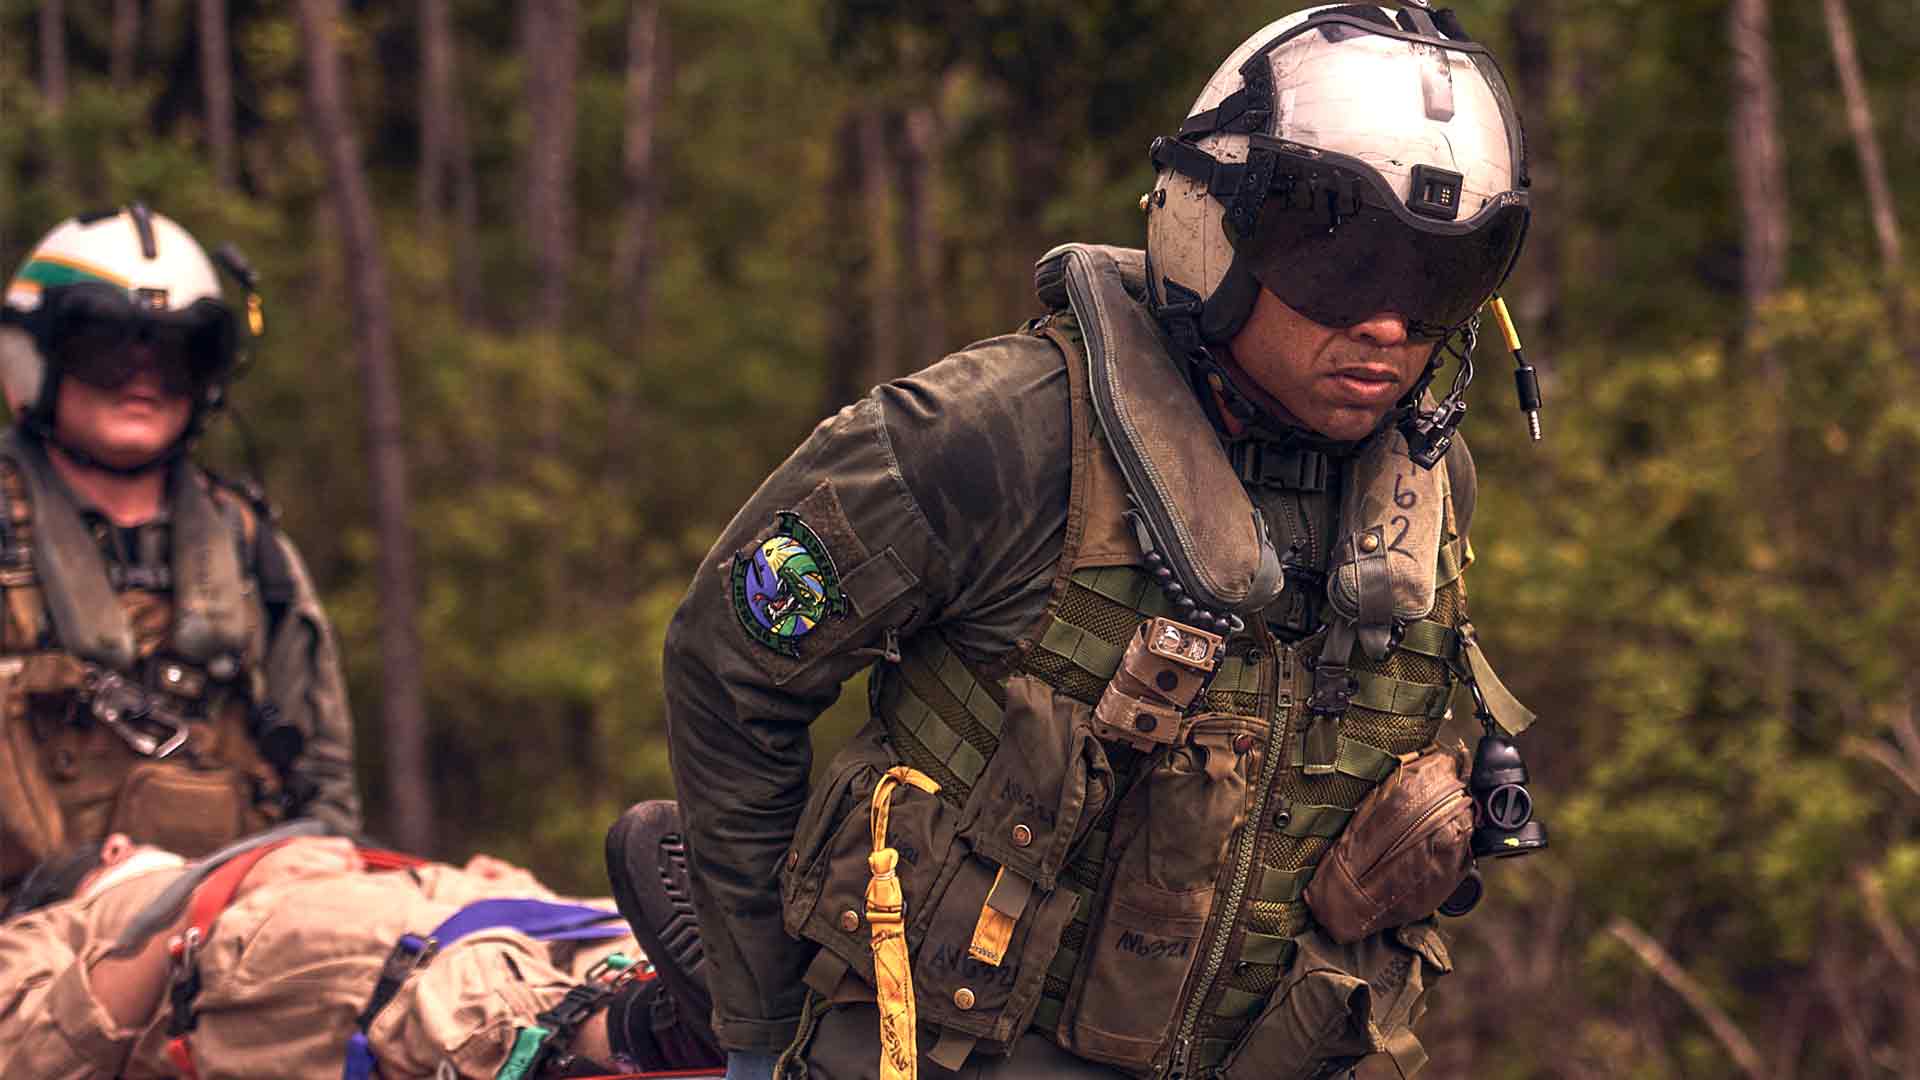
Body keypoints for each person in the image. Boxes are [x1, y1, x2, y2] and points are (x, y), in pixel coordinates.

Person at [659, 4, 1550, 1078]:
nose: (1391, 329)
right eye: (1341, 263)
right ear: (1212, 233)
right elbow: (728, 662)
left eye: (1435, 280)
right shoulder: (1003, 433)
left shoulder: (1429, 490)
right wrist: (755, 1031)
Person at [0, 204, 360, 902]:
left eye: (172, 354)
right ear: (38, 355)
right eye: (108, 348)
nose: (143, 378)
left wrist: (306, 875)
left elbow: (326, 781)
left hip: (240, 920)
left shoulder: (249, 548)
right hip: (31, 939)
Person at [0, 810, 724, 1078]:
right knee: (435, 989)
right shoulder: (55, 924)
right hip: (237, 959)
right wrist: (184, 904)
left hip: (457, 907)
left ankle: (777, 979)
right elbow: (20, 1055)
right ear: (114, 851)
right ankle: (659, 1032)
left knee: (604, 932)